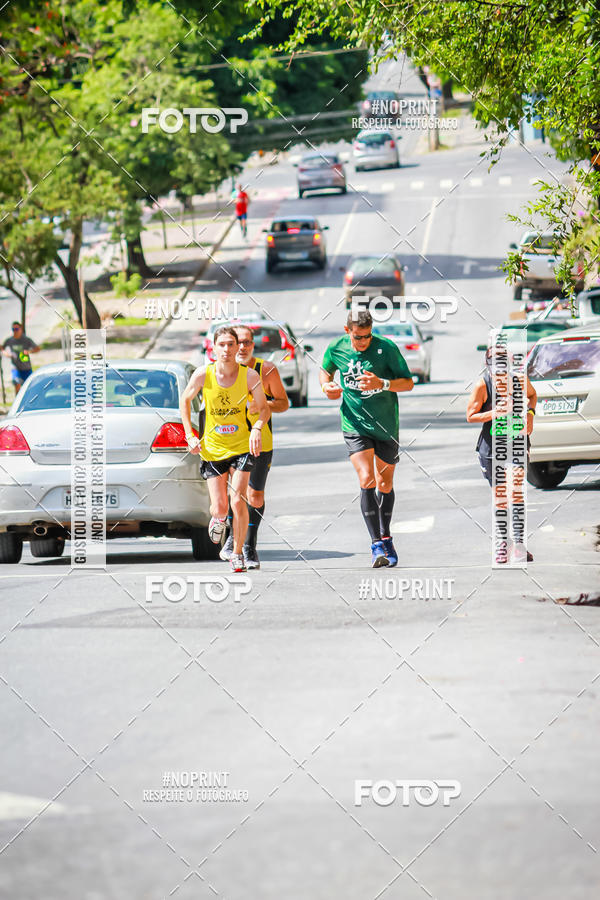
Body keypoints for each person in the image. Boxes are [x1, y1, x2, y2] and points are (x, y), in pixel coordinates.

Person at [320, 309, 414, 568]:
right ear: (347, 330)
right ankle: (376, 544)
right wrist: (326, 386)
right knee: (367, 478)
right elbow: (325, 371)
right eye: (358, 337)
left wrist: (381, 384)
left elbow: (408, 383)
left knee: (385, 482)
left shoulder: (386, 348)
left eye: (367, 336)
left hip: (386, 426)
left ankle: (386, 535)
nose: (363, 342)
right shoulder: (337, 347)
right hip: (354, 424)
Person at [180, 326, 270, 573]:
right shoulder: (203, 375)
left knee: (238, 499)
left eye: (232, 344)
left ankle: (238, 553)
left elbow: (264, 409)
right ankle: (219, 519)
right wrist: (190, 435)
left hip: (241, 446)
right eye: (222, 344)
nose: (228, 349)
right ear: (213, 348)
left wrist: (257, 428)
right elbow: (185, 401)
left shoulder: (250, 376)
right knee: (220, 507)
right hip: (212, 448)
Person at [218, 324, 289, 569]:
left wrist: (262, 405)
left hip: (260, 442)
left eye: (248, 342)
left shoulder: (266, 370)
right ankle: (233, 542)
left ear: (252, 345)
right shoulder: (220, 372)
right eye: (240, 342)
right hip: (230, 443)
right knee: (234, 493)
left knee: (255, 495)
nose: (244, 347)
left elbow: (283, 404)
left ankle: (250, 544)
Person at [466, 345, 537, 563]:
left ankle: (519, 545)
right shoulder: (482, 385)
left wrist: (530, 416)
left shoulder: (519, 380)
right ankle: (503, 544)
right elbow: (470, 415)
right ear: (488, 366)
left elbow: (532, 396)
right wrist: (495, 412)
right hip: (491, 448)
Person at [1, 322, 39, 394]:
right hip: (15, 368)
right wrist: (6, 354)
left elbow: (37, 348)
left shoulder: (26, 339)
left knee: (29, 387)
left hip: (26, 367)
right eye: (13, 329)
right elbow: (2, 348)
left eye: (16, 329)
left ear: (21, 329)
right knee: (17, 384)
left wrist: (29, 352)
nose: (15, 331)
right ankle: (18, 403)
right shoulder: (9, 340)